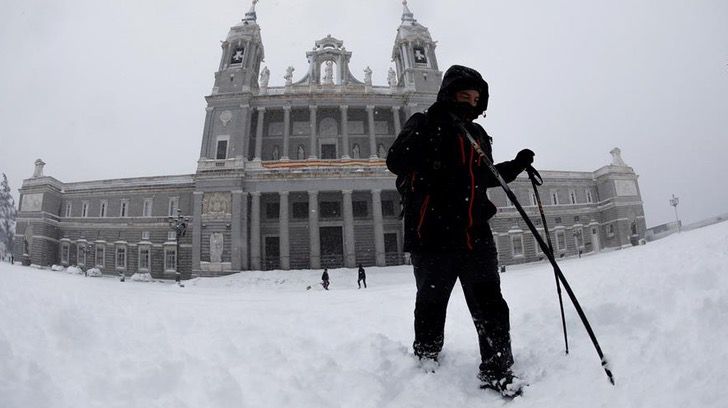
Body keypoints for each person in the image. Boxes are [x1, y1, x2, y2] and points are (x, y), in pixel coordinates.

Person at [386, 65, 534, 396]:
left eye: (476, 98)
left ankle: (497, 366)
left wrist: (517, 165)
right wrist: (435, 126)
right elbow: (396, 160)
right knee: (432, 300)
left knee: (490, 303)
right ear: (449, 95)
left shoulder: (477, 136)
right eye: (463, 96)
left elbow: (486, 176)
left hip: (475, 233)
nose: (470, 102)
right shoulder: (424, 122)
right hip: (433, 235)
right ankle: (427, 350)